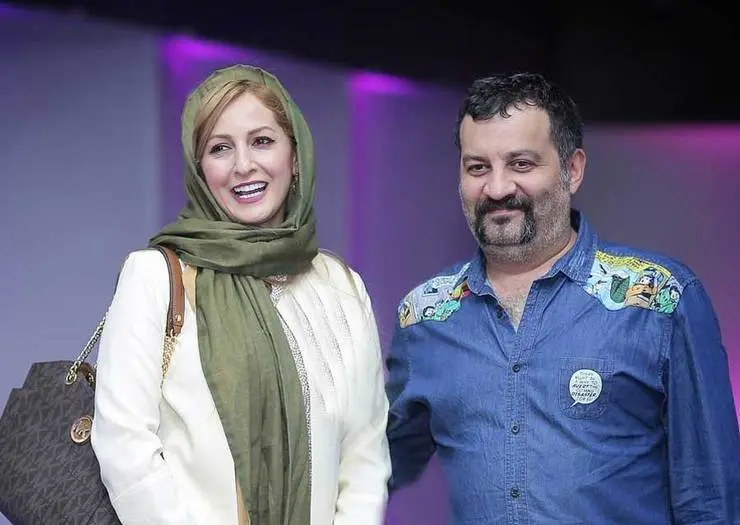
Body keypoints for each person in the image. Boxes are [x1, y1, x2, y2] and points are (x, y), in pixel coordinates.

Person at [385, 72, 740, 523]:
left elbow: (711, 499)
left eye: (521, 164)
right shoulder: (425, 316)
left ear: (572, 170)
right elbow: (372, 469)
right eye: (478, 167)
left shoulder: (660, 300)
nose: (497, 188)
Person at [91, 64, 390, 525]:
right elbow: (124, 443)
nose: (243, 165)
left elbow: (364, 457)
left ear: (295, 156)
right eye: (220, 148)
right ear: (199, 169)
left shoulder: (342, 288)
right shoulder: (154, 277)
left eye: (262, 141)